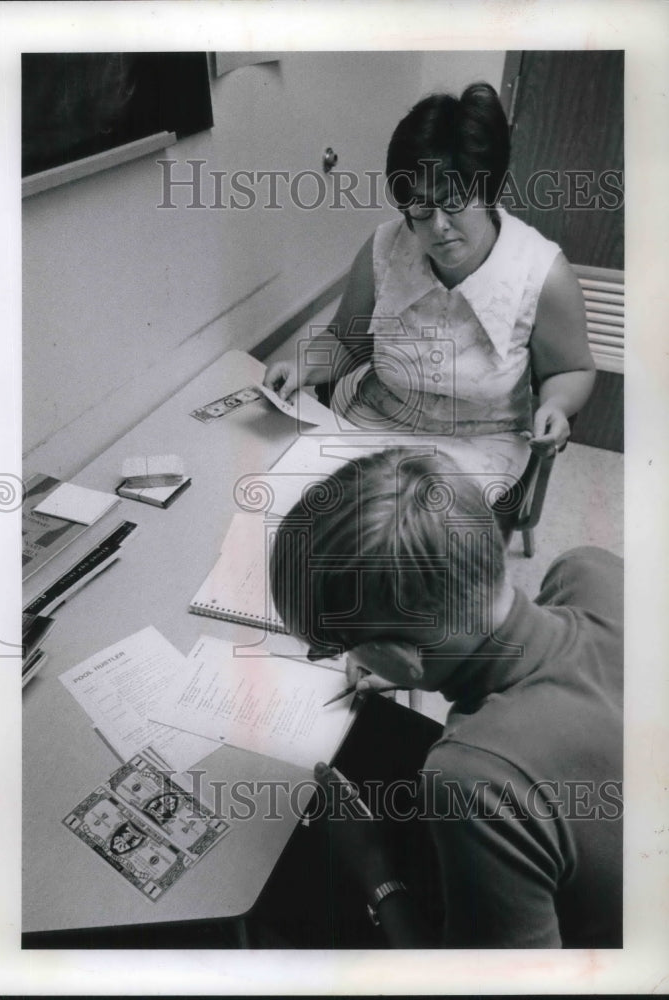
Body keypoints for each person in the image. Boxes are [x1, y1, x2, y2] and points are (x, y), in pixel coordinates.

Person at [263, 449, 623, 948]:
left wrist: (374, 866)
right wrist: (417, 664)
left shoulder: (473, 779)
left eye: (338, 648)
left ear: (399, 654)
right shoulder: (590, 569)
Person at [263, 82, 596, 479]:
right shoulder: (386, 247)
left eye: (454, 200)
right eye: (420, 206)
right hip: (379, 428)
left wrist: (556, 405)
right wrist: (304, 366)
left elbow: (571, 370)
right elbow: (345, 341)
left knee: (413, 534)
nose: (438, 226)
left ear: (487, 190)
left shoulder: (542, 272)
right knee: (309, 507)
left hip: (478, 449)